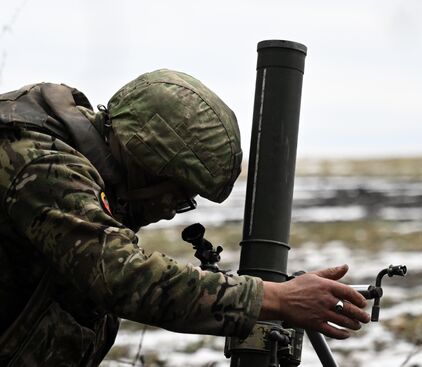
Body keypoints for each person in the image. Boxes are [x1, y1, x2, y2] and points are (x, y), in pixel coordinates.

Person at [0, 69, 370, 366]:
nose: (167, 213)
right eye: (176, 196)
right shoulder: (41, 164)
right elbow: (122, 276)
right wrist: (273, 298)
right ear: (144, 163)